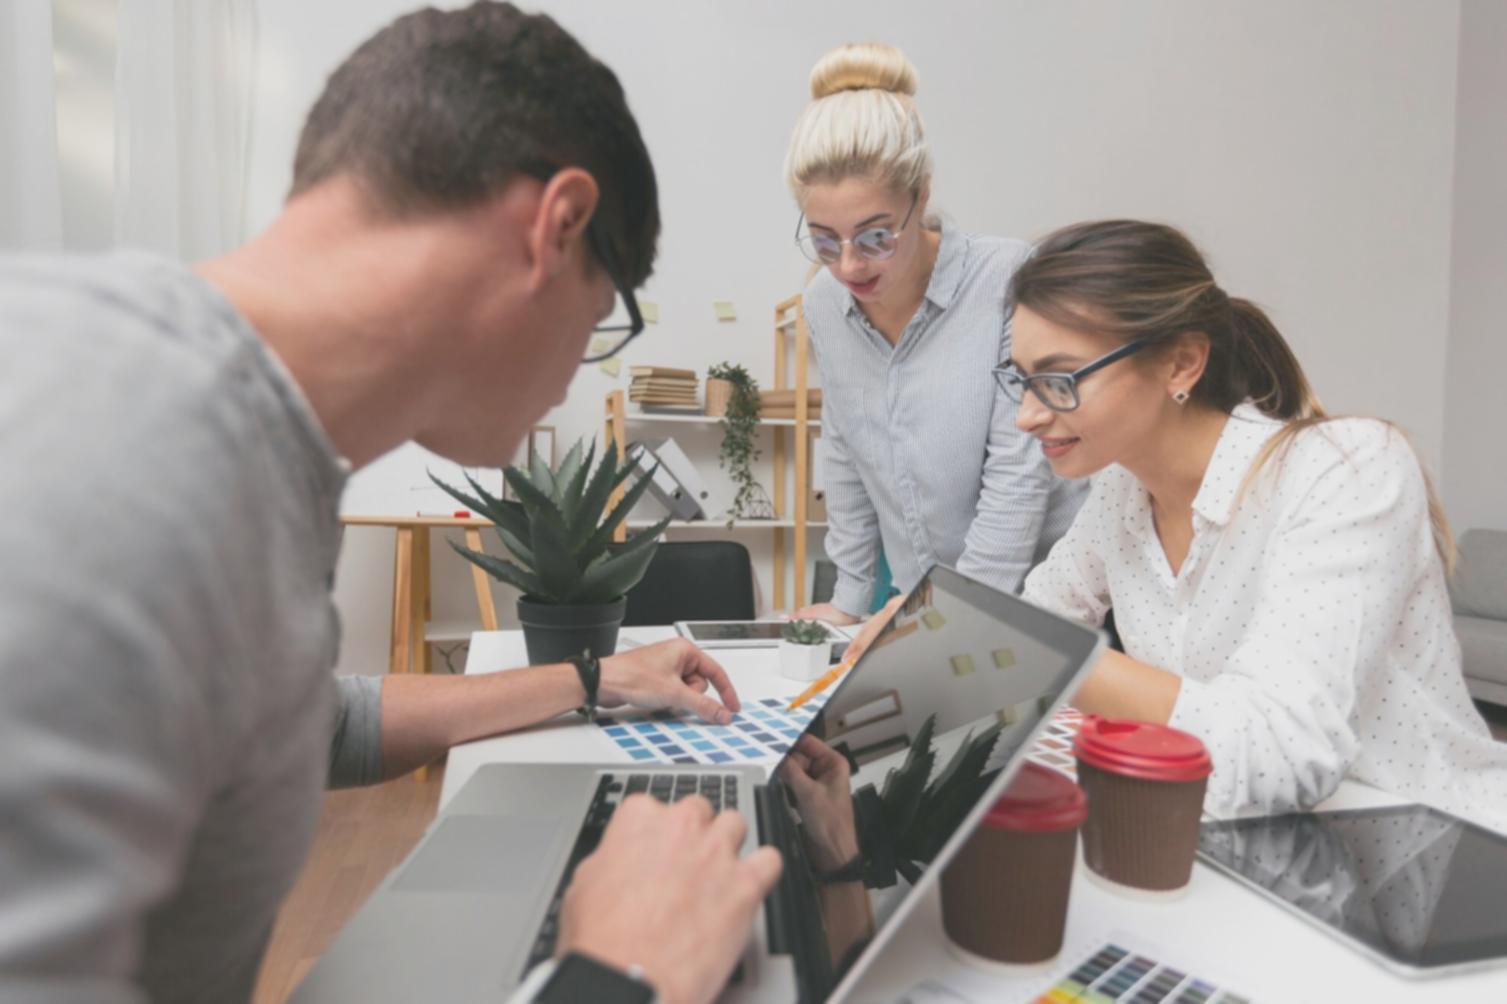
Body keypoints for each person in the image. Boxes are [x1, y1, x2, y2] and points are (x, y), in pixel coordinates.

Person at [0, 4, 778, 1002]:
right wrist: (613, 973)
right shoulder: (129, 466)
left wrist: (596, 678)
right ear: (556, 227)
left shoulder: (216, 420)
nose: (581, 361)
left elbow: (309, 722)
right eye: (605, 312)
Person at [1002, 219, 1507, 829]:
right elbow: (1031, 624)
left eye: (1059, 380)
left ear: (1182, 364)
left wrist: (1038, 655)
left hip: (1432, 851)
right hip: (1251, 843)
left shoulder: (1347, 468)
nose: (1027, 416)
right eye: (1023, 381)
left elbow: (1276, 754)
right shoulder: (1120, 493)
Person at [783, 42, 1086, 628]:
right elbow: (844, 448)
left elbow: (1019, 473)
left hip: (1040, 604)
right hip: (926, 602)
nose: (849, 266)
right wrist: (850, 598)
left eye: (875, 237)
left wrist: (951, 618)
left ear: (919, 196)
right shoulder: (823, 303)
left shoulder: (1002, 278)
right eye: (824, 240)